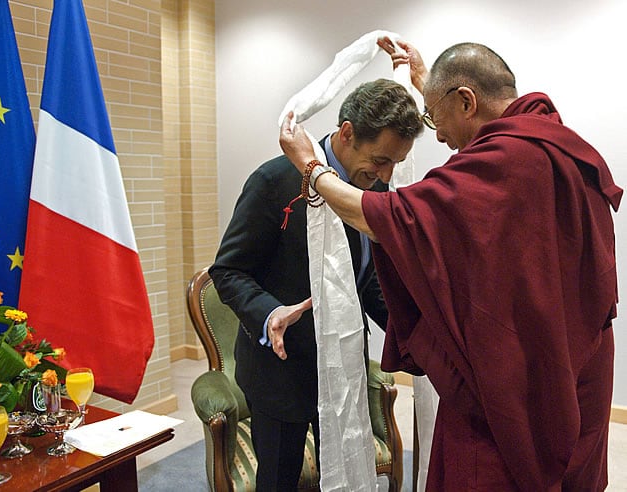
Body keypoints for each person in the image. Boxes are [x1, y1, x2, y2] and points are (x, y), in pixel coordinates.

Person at [279, 41, 622, 491]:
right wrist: (429, 87)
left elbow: (390, 217)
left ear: (466, 100)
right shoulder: (552, 139)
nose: (438, 137)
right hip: (580, 357)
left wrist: (311, 169)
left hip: (522, 376)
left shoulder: (510, 159)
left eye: (436, 120)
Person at [209, 78, 423, 490]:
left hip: (343, 369)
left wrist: (417, 327)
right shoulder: (274, 182)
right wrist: (268, 312)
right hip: (282, 373)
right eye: (380, 160)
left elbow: (367, 278)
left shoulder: (370, 185)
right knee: (280, 481)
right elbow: (228, 271)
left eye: (395, 163)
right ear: (346, 133)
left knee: (342, 474)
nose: (385, 175)